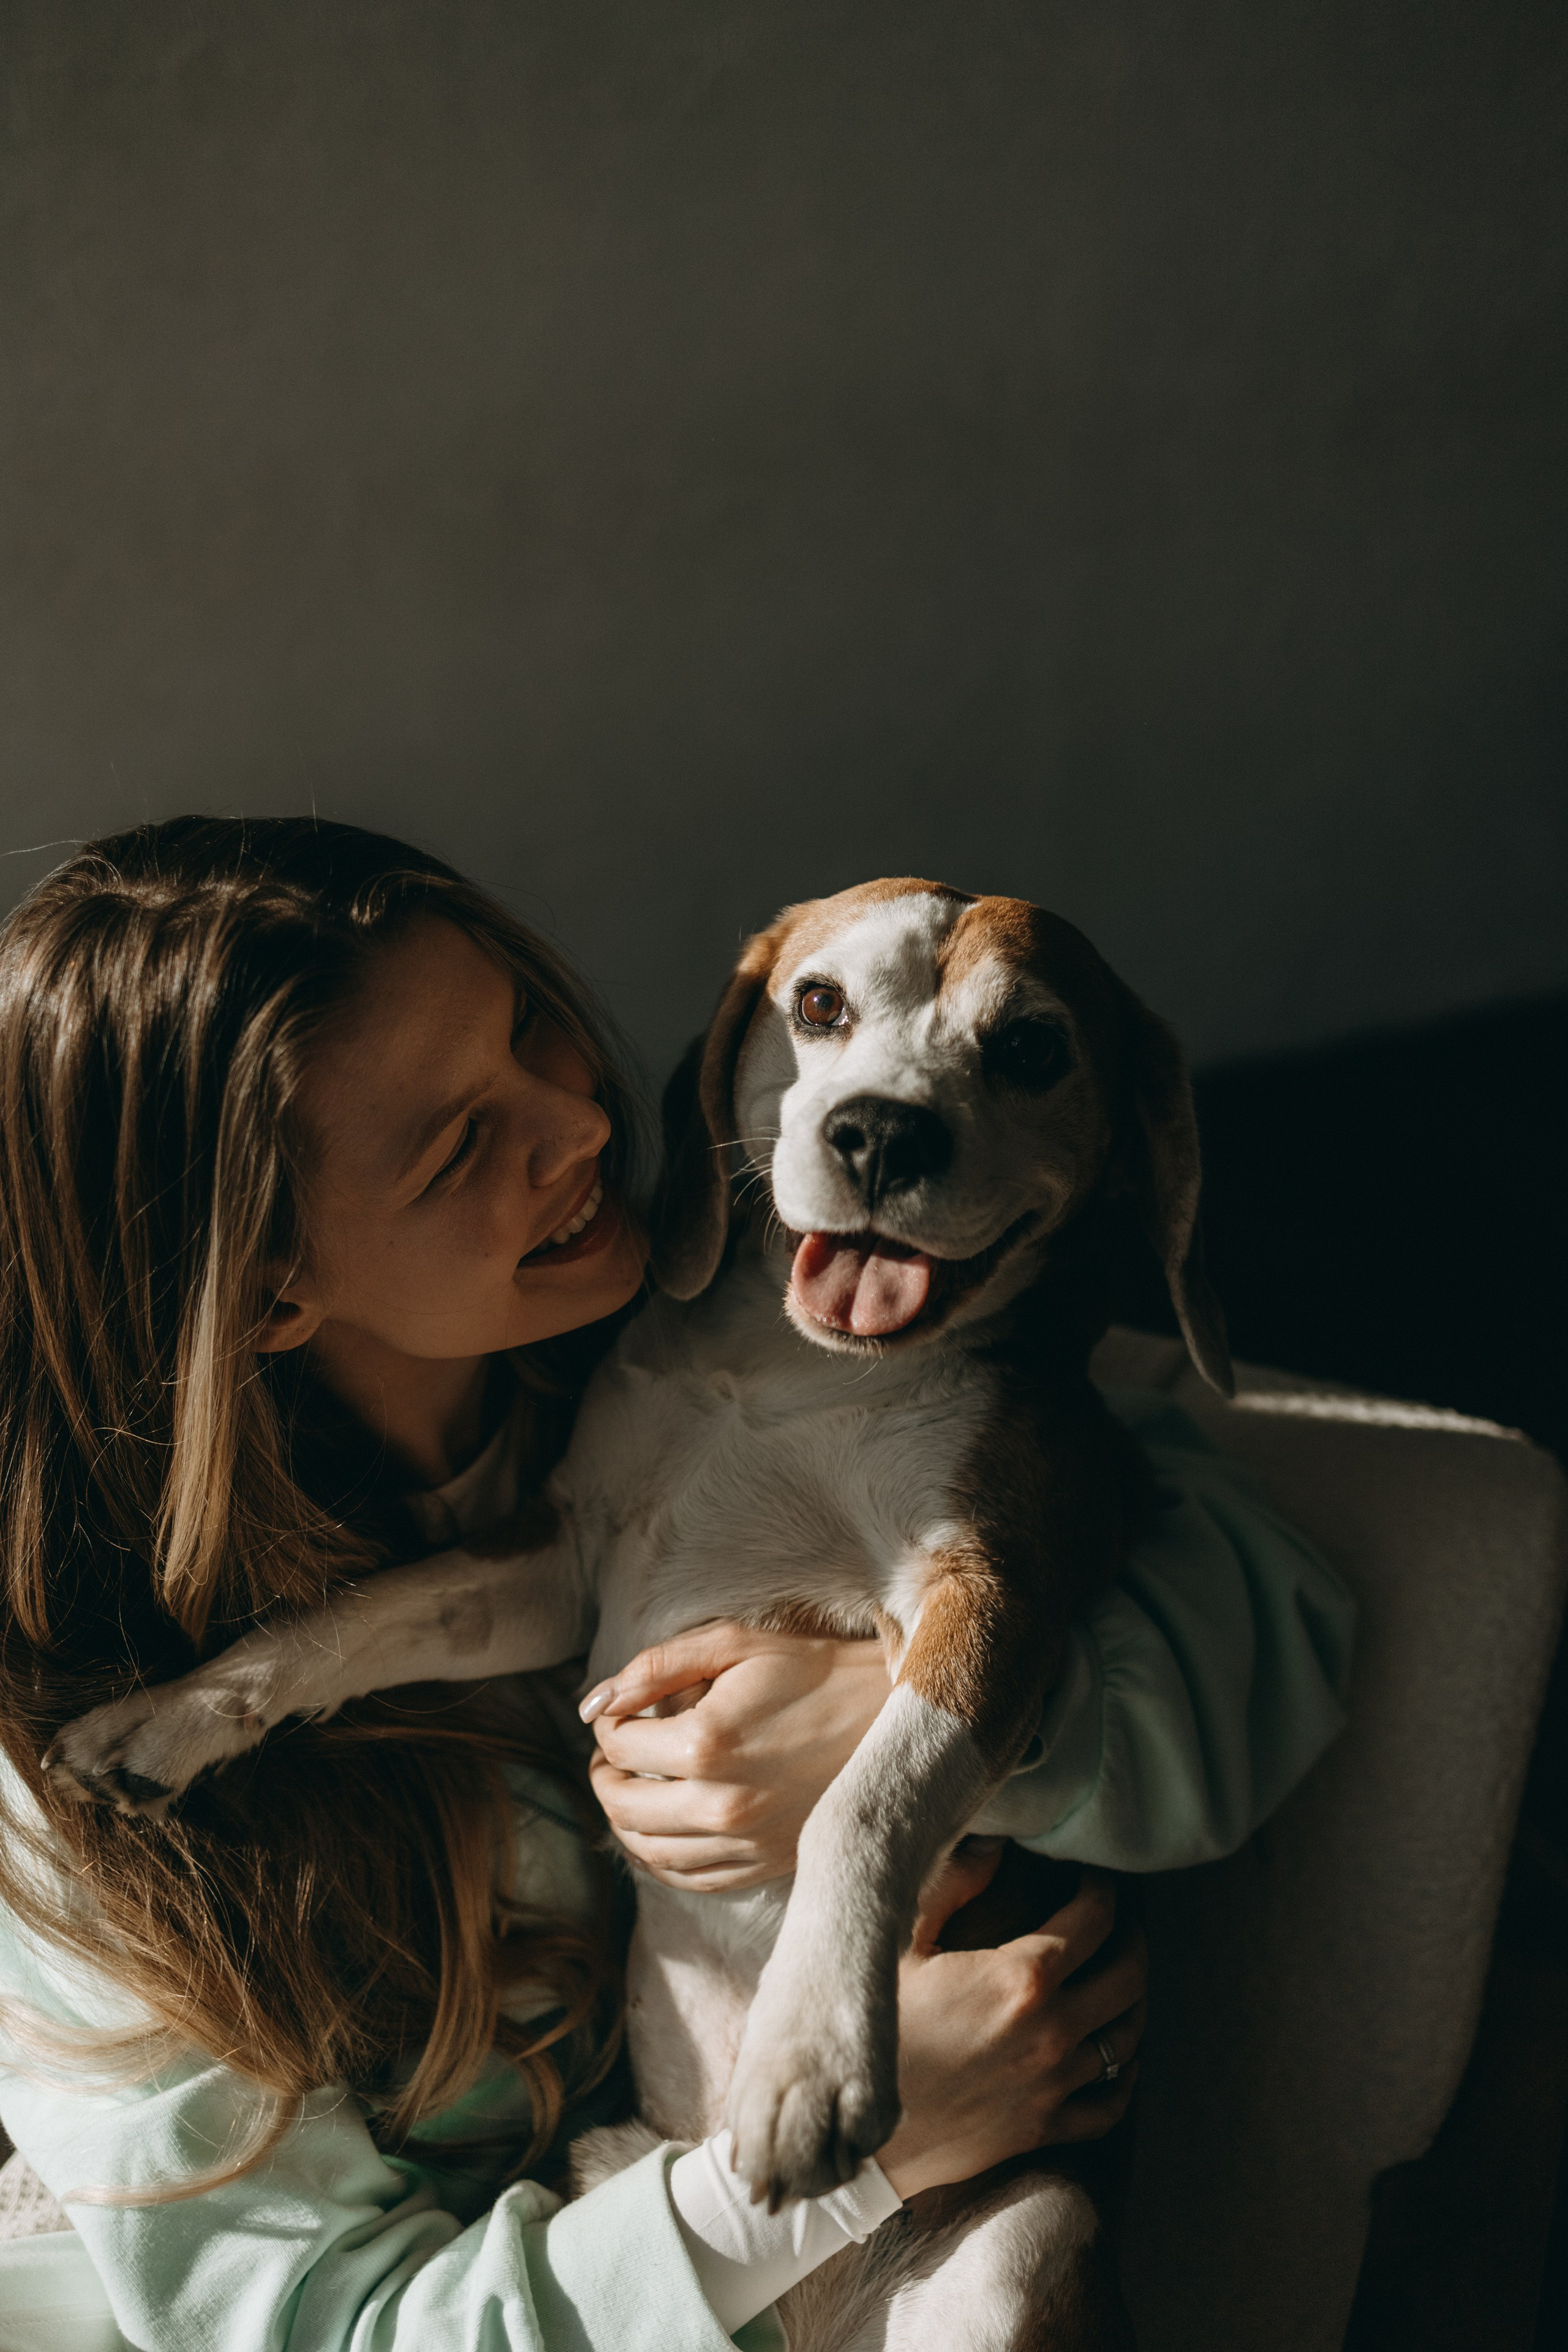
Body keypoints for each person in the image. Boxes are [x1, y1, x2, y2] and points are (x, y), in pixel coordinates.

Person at [0, 819, 1353, 2352]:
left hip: (931, 2221)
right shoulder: (69, 1779)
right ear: (266, 1287)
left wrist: (892, 1727)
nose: (577, 1132)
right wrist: (834, 2177)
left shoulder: (740, 1313)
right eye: (457, 1145)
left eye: (530, 1031)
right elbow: (319, 2324)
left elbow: (1262, 1609)